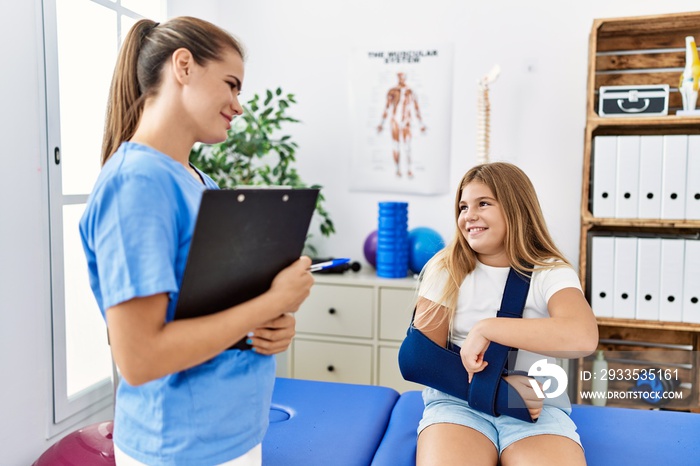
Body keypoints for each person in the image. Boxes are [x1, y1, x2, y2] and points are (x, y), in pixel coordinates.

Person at [79, 17, 313, 466]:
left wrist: (265, 329)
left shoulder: (200, 181)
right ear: (183, 66)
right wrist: (268, 304)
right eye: (231, 84)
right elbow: (141, 357)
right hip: (180, 447)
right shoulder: (137, 184)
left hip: (234, 433)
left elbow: (209, 311)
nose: (238, 106)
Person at [411, 162, 598, 466]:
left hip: (535, 403)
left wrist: (488, 328)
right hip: (457, 400)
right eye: (462, 206)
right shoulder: (445, 268)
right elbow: (419, 359)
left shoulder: (550, 271)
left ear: (515, 208)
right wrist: (499, 390)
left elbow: (583, 337)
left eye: (483, 203)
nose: (469, 216)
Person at [377, 71, 427, 178]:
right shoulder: (392, 91)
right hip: (395, 121)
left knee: (407, 146)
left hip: (406, 121)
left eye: (403, 77)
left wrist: (421, 124)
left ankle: (408, 169)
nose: (401, 79)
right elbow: (387, 107)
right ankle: (397, 169)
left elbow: (416, 107)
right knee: (396, 145)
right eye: (400, 77)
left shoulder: (410, 91)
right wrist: (381, 123)